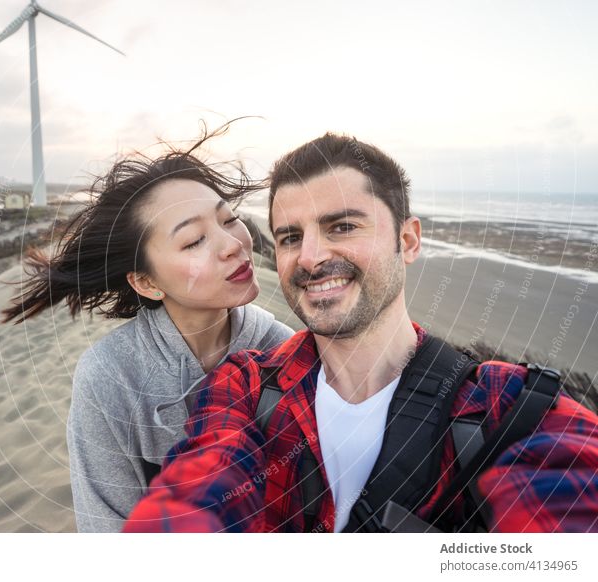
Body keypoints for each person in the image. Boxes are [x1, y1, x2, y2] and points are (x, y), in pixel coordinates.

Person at [122, 132, 598, 533]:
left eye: (343, 226)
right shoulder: (245, 388)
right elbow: (199, 490)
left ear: (407, 240)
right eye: (289, 237)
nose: (309, 257)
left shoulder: (508, 407)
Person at [0, 125, 294, 532]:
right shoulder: (111, 376)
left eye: (231, 219)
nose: (232, 244)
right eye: (193, 241)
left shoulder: (284, 351)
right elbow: (105, 528)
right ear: (147, 282)